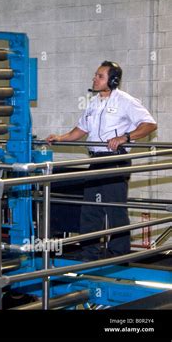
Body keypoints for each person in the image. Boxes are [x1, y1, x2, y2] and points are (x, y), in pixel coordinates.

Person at [46, 61, 157, 260]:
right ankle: (90, 252)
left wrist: (126, 137)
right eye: (95, 75)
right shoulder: (94, 103)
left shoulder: (125, 101)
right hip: (97, 160)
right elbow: (81, 129)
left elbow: (149, 124)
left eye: (100, 76)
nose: (94, 79)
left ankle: (119, 253)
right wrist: (60, 137)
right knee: (90, 208)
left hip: (114, 160)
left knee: (114, 208)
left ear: (113, 80)